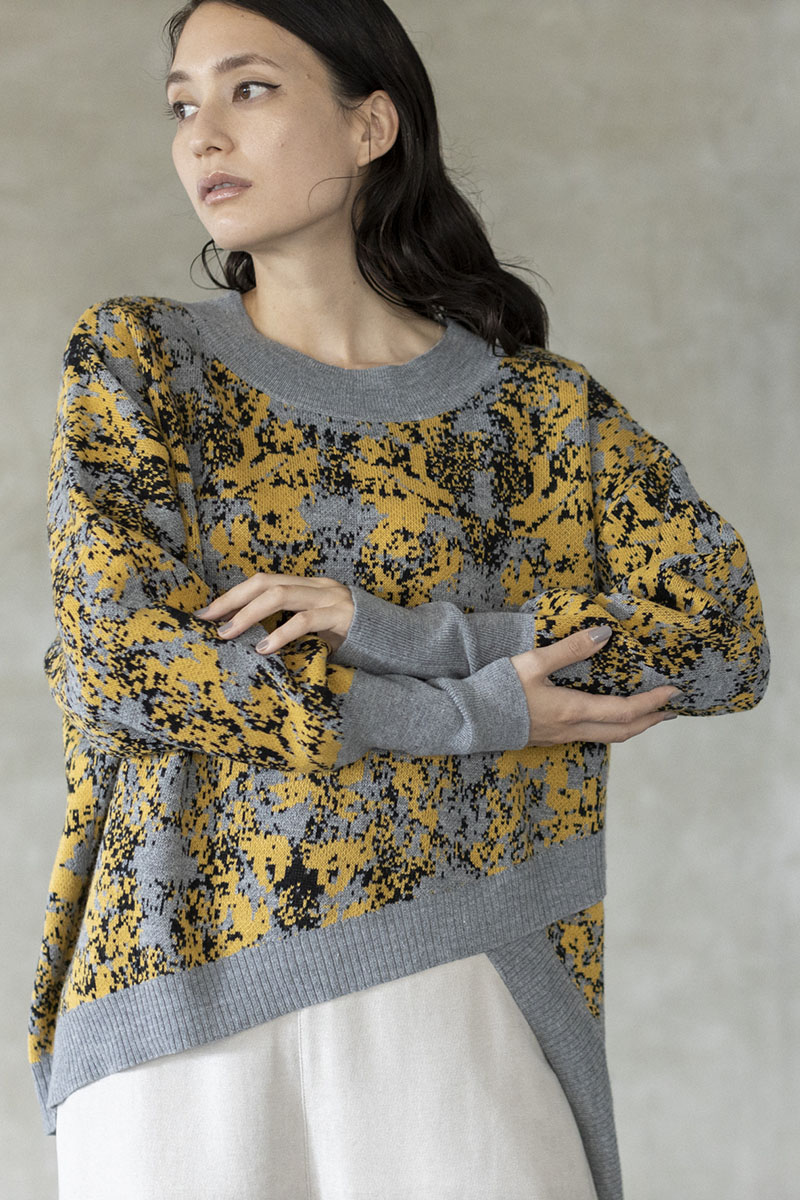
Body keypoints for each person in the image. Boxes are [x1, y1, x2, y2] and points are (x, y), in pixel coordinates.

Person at [28, 1, 769, 1197]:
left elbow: (722, 641)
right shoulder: (139, 363)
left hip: (466, 971)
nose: (202, 134)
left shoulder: (537, 416)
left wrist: (401, 633)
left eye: (249, 89)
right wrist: (473, 712)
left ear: (370, 124)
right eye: (181, 104)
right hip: (175, 993)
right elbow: (124, 657)